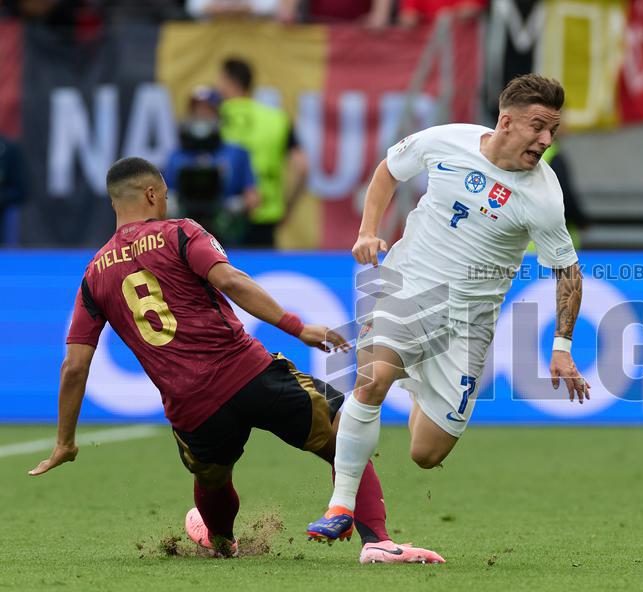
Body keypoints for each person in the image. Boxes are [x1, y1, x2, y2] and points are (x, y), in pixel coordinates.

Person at [28, 157, 443, 564]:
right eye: (165, 195)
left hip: (191, 408)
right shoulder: (180, 233)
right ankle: (378, 541)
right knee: (345, 434)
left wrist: (65, 441)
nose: (168, 203)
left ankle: (222, 541)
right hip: (248, 374)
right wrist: (298, 328)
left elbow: (75, 367)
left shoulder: (94, 274)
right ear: (152, 193)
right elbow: (229, 279)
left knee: (211, 478)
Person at [306, 74, 590, 542]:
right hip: (408, 288)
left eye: (552, 131)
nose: (545, 140)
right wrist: (367, 230)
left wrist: (561, 347)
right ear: (505, 121)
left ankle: (418, 382)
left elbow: (568, 272)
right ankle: (340, 504)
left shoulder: (542, 195)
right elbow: (388, 171)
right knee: (373, 378)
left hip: (467, 325)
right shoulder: (446, 141)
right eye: (538, 126)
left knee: (426, 454)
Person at [217, 58, 308, 248]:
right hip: (266, 217)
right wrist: (287, 208)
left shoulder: (216, 117)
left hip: (222, 218)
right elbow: (302, 168)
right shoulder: (277, 118)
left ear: (227, 81)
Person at [162, 86, 259, 244]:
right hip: (185, 239)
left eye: (207, 111)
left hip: (226, 237)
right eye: (196, 111)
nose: (201, 116)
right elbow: (163, 196)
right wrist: (169, 204)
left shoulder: (237, 153)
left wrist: (239, 204)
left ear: (218, 115)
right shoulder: (176, 155)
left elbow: (254, 197)